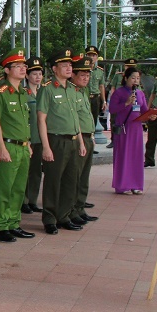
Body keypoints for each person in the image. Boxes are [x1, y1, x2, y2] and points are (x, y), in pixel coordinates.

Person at [36, 49, 87, 234]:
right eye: (64, 65)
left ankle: (64, 215)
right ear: (54, 68)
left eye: (70, 65)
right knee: (53, 181)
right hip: (56, 141)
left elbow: (76, 120)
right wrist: (46, 147)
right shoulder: (47, 89)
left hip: (73, 140)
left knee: (70, 181)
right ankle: (49, 218)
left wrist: (81, 142)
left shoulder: (73, 90)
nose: (68, 68)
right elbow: (41, 119)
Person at [0, 49, 36, 242]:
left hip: (24, 146)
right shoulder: (0, 93)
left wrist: (29, 144)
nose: (23, 69)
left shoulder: (23, 92)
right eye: (17, 66)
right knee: (4, 188)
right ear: (7, 70)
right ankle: (1, 226)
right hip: (8, 146)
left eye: (24, 66)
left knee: (19, 188)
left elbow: (24, 122)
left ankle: (14, 223)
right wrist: (1, 147)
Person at [69, 58, 99, 224]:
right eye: (82, 75)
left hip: (88, 137)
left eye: (88, 75)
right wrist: (81, 141)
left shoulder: (83, 92)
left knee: (84, 176)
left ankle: (80, 207)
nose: (86, 78)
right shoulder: (71, 92)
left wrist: (92, 136)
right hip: (79, 138)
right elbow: (75, 120)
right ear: (73, 75)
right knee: (76, 175)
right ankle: (72, 209)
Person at [109, 66, 148, 194]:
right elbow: (112, 109)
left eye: (138, 78)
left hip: (136, 129)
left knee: (136, 156)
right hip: (124, 128)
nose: (135, 81)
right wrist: (126, 103)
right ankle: (122, 185)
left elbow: (144, 110)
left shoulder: (140, 93)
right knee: (123, 156)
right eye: (133, 78)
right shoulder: (119, 93)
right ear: (126, 78)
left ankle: (136, 184)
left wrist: (151, 115)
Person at [22, 57, 44, 215]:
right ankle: (23, 201)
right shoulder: (23, 93)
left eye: (40, 74)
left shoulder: (44, 92)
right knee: (25, 171)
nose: (38, 77)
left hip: (40, 138)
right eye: (34, 74)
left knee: (36, 171)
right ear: (27, 76)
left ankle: (32, 200)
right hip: (27, 137)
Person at [84, 45, 108, 134]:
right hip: (84, 97)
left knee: (93, 121)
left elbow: (101, 86)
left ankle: (91, 140)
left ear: (97, 57)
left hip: (95, 98)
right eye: (89, 55)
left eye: (93, 55)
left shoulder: (99, 71)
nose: (91, 57)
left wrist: (104, 101)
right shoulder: (82, 69)